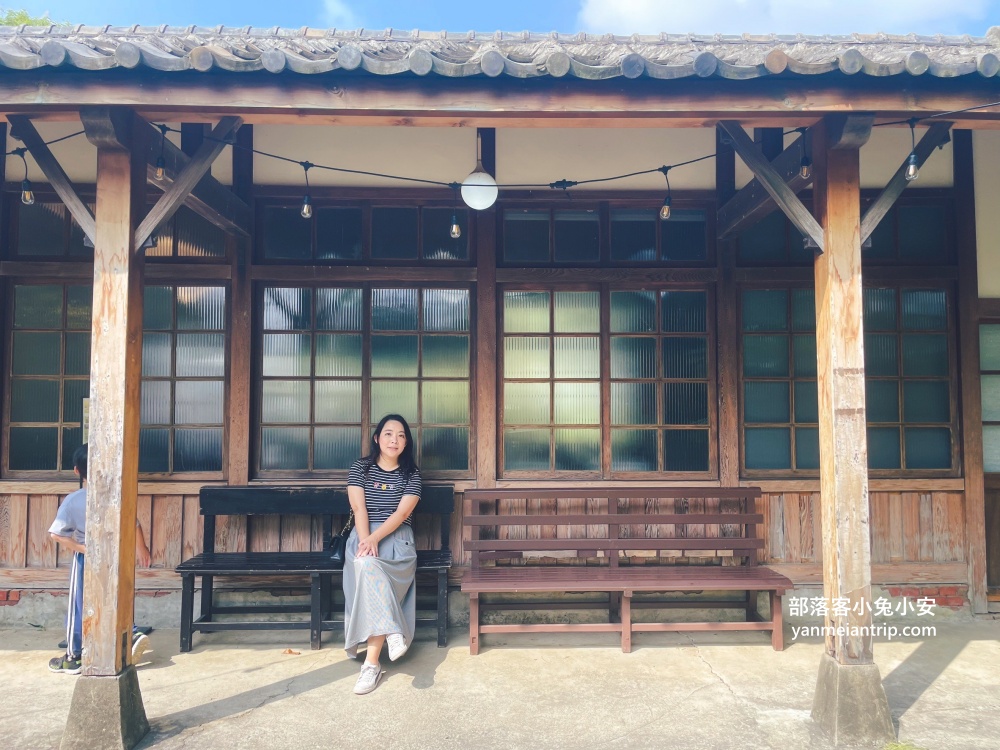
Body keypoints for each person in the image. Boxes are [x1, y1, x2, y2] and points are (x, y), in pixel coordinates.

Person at [47, 444, 153, 675]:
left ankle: (73, 656)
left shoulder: (73, 500)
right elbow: (134, 524)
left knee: (79, 603)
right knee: (116, 595)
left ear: (77, 471)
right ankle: (132, 633)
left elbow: (56, 534)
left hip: (88, 557)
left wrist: (82, 548)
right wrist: (142, 549)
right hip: (115, 554)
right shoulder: (116, 495)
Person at [343, 414, 422, 695]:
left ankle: (372, 665)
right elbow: (359, 508)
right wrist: (367, 541)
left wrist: (376, 538)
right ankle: (385, 642)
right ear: (377, 438)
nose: (394, 440)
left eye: (401, 435)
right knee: (366, 566)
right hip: (364, 536)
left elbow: (402, 514)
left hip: (397, 540)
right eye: (388, 434)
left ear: (406, 442)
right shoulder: (360, 469)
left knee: (370, 572)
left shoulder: (411, 475)